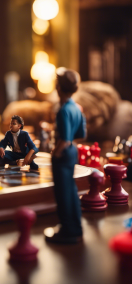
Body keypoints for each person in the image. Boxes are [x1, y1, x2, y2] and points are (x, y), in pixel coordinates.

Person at [44, 67, 86, 244]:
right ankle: (75, 226)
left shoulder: (63, 111)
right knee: (71, 191)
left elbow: (67, 139)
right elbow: (81, 133)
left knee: (62, 193)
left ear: (58, 87)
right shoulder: (76, 108)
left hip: (63, 154)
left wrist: (55, 153)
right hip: (72, 153)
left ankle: (67, 230)